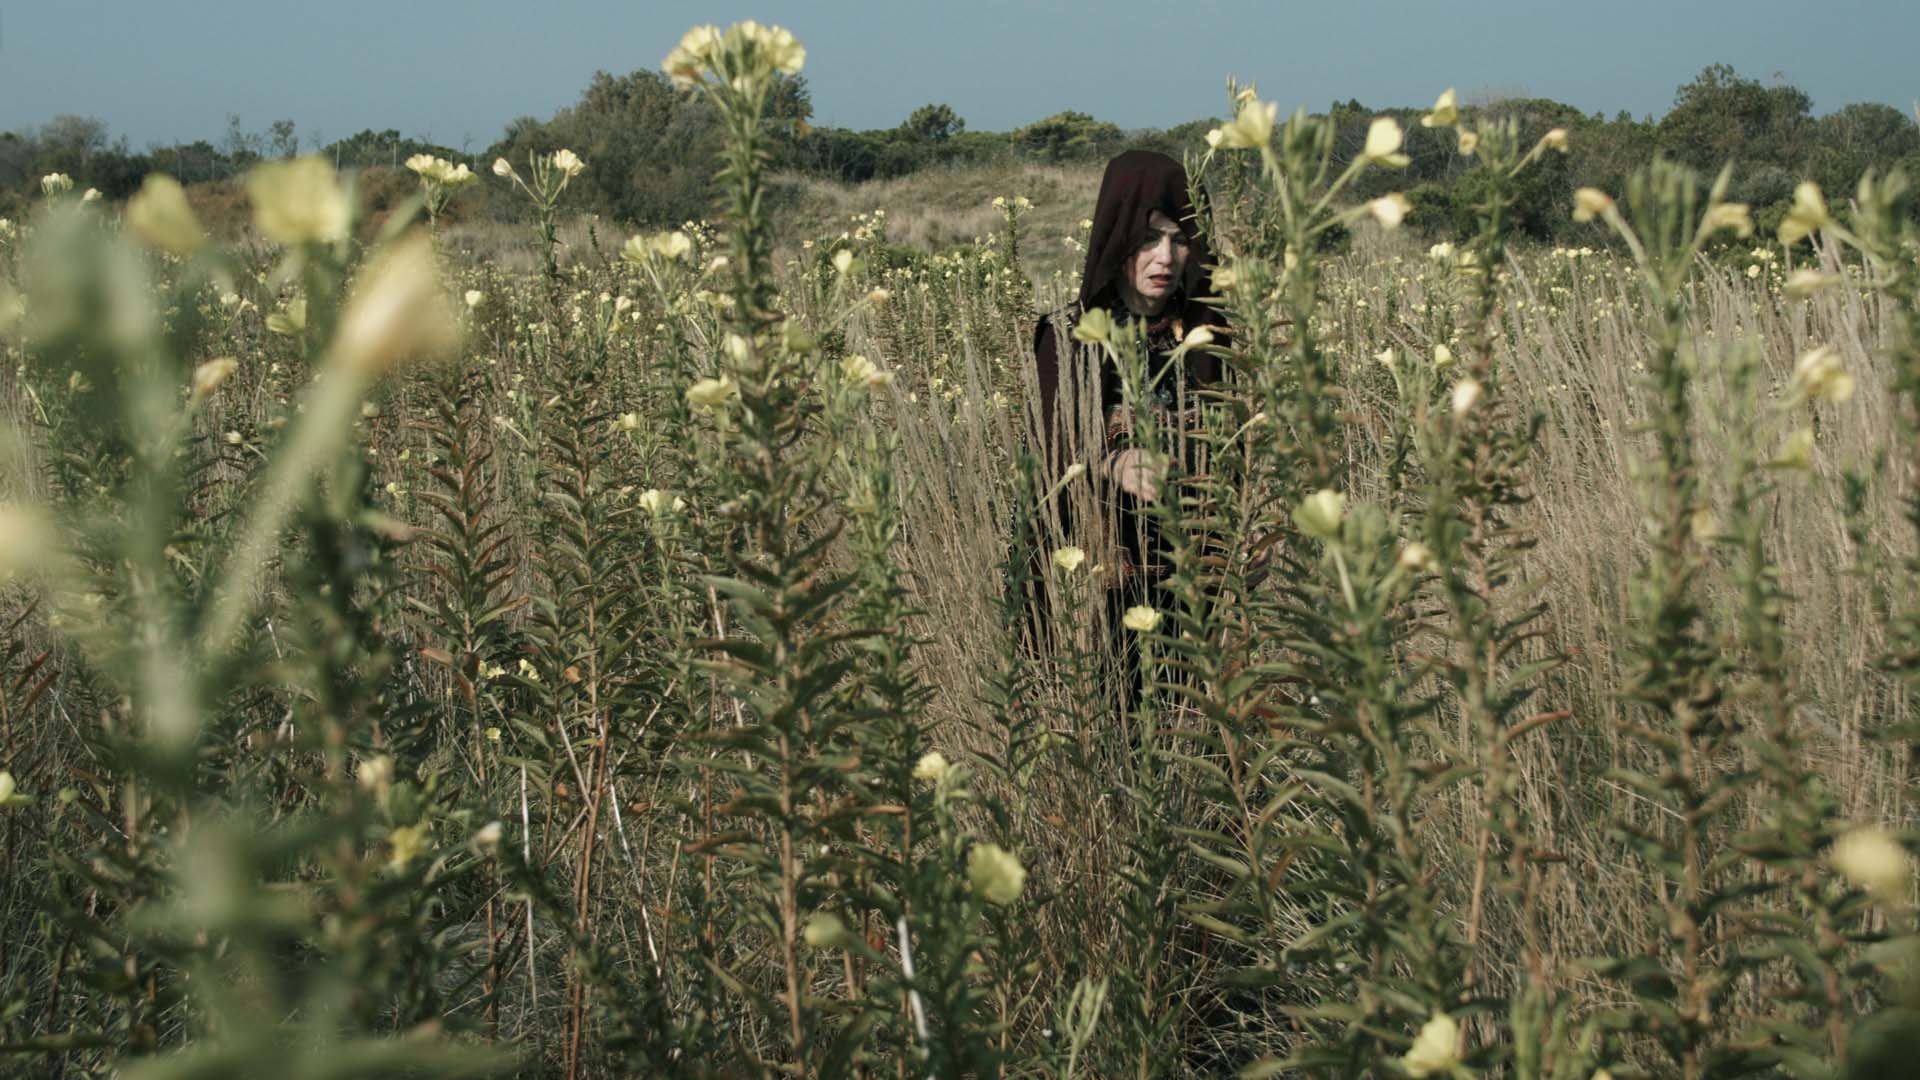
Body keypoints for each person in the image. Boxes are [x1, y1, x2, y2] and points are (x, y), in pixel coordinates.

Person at [1025, 149, 1228, 705]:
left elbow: (1242, 441)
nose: (1165, 257)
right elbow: (1049, 453)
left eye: (1179, 239)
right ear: (1118, 239)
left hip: (1197, 578)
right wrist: (1110, 462)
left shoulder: (1209, 333)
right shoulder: (1069, 335)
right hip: (1100, 591)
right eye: (1147, 239)